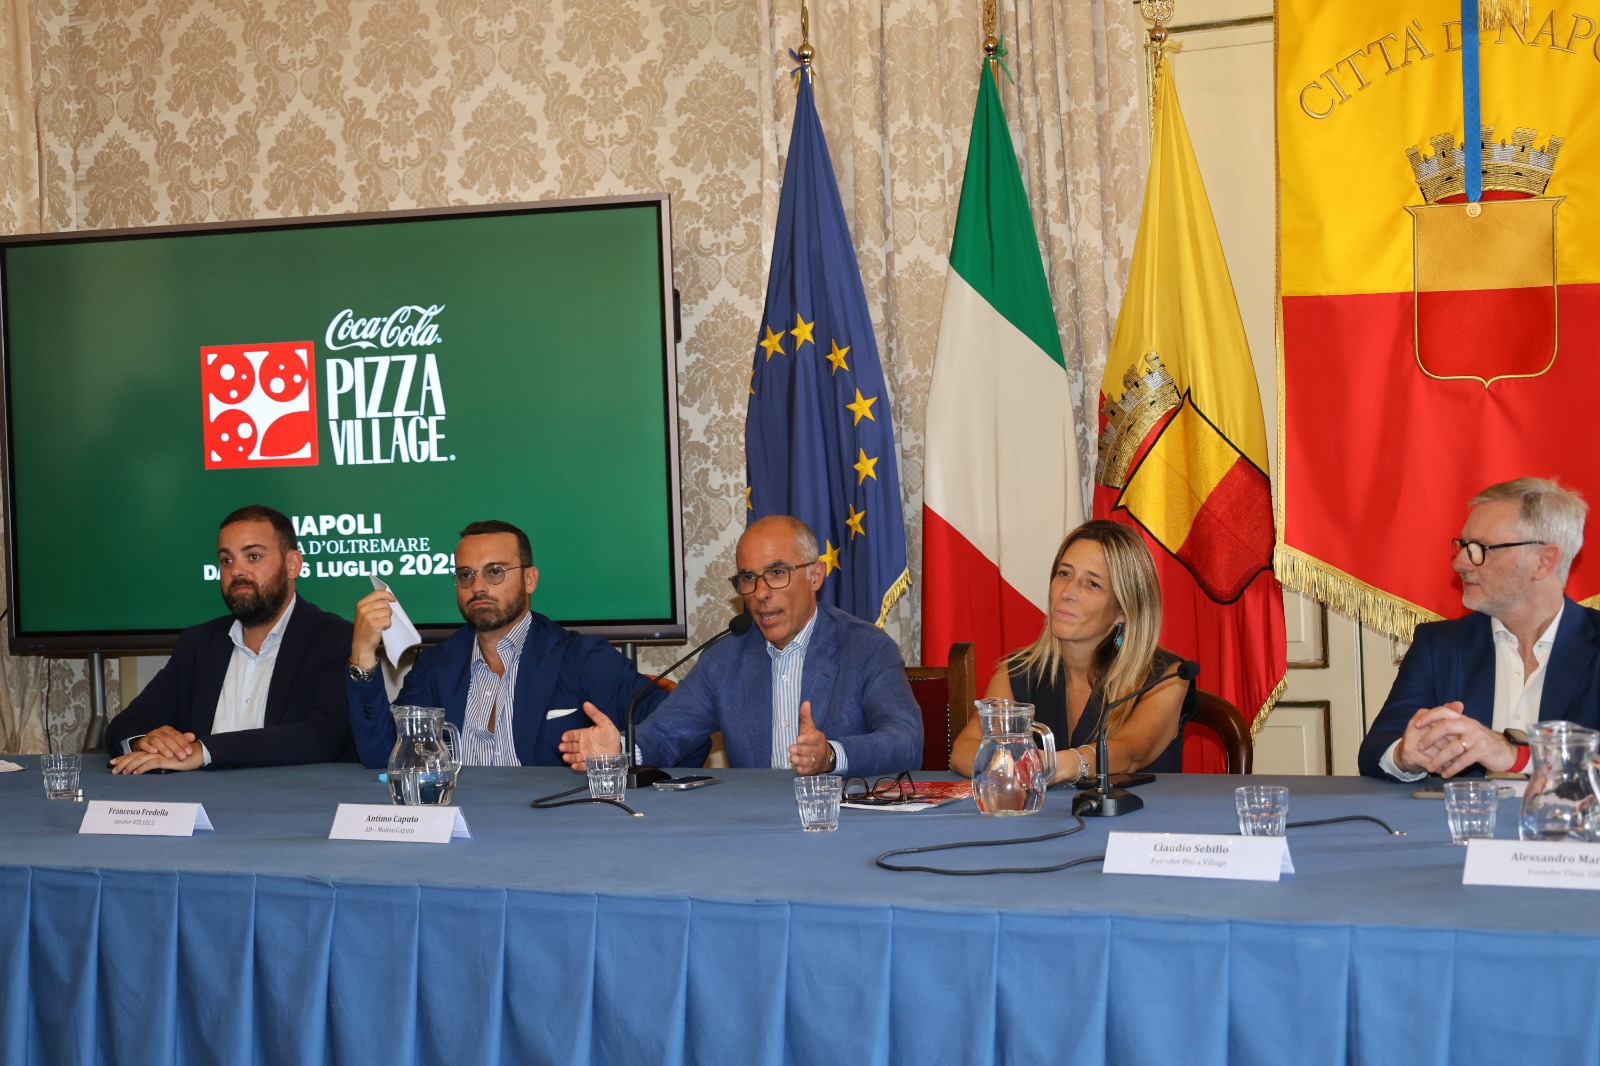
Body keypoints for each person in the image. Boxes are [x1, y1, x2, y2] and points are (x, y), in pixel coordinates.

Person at [558, 515, 923, 777]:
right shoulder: (726, 657)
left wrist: (831, 755)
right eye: (748, 578)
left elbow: (905, 741)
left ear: (815, 576)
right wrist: (620, 749)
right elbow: (668, 731)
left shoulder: (865, 648)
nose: (760, 593)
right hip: (754, 828)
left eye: (777, 573)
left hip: (840, 823)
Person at [347, 519, 670, 768]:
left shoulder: (582, 658)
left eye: (495, 572)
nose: (478, 587)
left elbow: (674, 728)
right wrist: (362, 656)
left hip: (551, 825)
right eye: (465, 575)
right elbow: (384, 756)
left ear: (529, 579)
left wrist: (622, 747)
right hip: (460, 822)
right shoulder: (435, 667)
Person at [1358, 477, 1600, 781]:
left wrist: (1516, 756)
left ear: (1543, 561)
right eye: (1462, 546)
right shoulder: (1439, 646)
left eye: (1480, 549)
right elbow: (1375, 752)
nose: (1459, 563)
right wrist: (1406, 754)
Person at [106, 505, 354, 773]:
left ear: (292, 564)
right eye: (226, 560)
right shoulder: (198, 643)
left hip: (292, 797)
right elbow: (126, 724)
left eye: (254, 556)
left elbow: (321, 737)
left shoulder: (335, 639)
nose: (236, 571)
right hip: (199, 796)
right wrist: (147, 742)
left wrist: (205, 751)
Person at [950, 520, 1194, 783]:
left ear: (1123, 610)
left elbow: (1131, 752)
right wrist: (1011, 766)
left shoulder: (1168, 676)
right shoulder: (1018, 671)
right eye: (1064, 573)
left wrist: (1053, 765)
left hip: (1142, 810)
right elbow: (964, 750)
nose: (1067, 592)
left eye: (1092, 584)